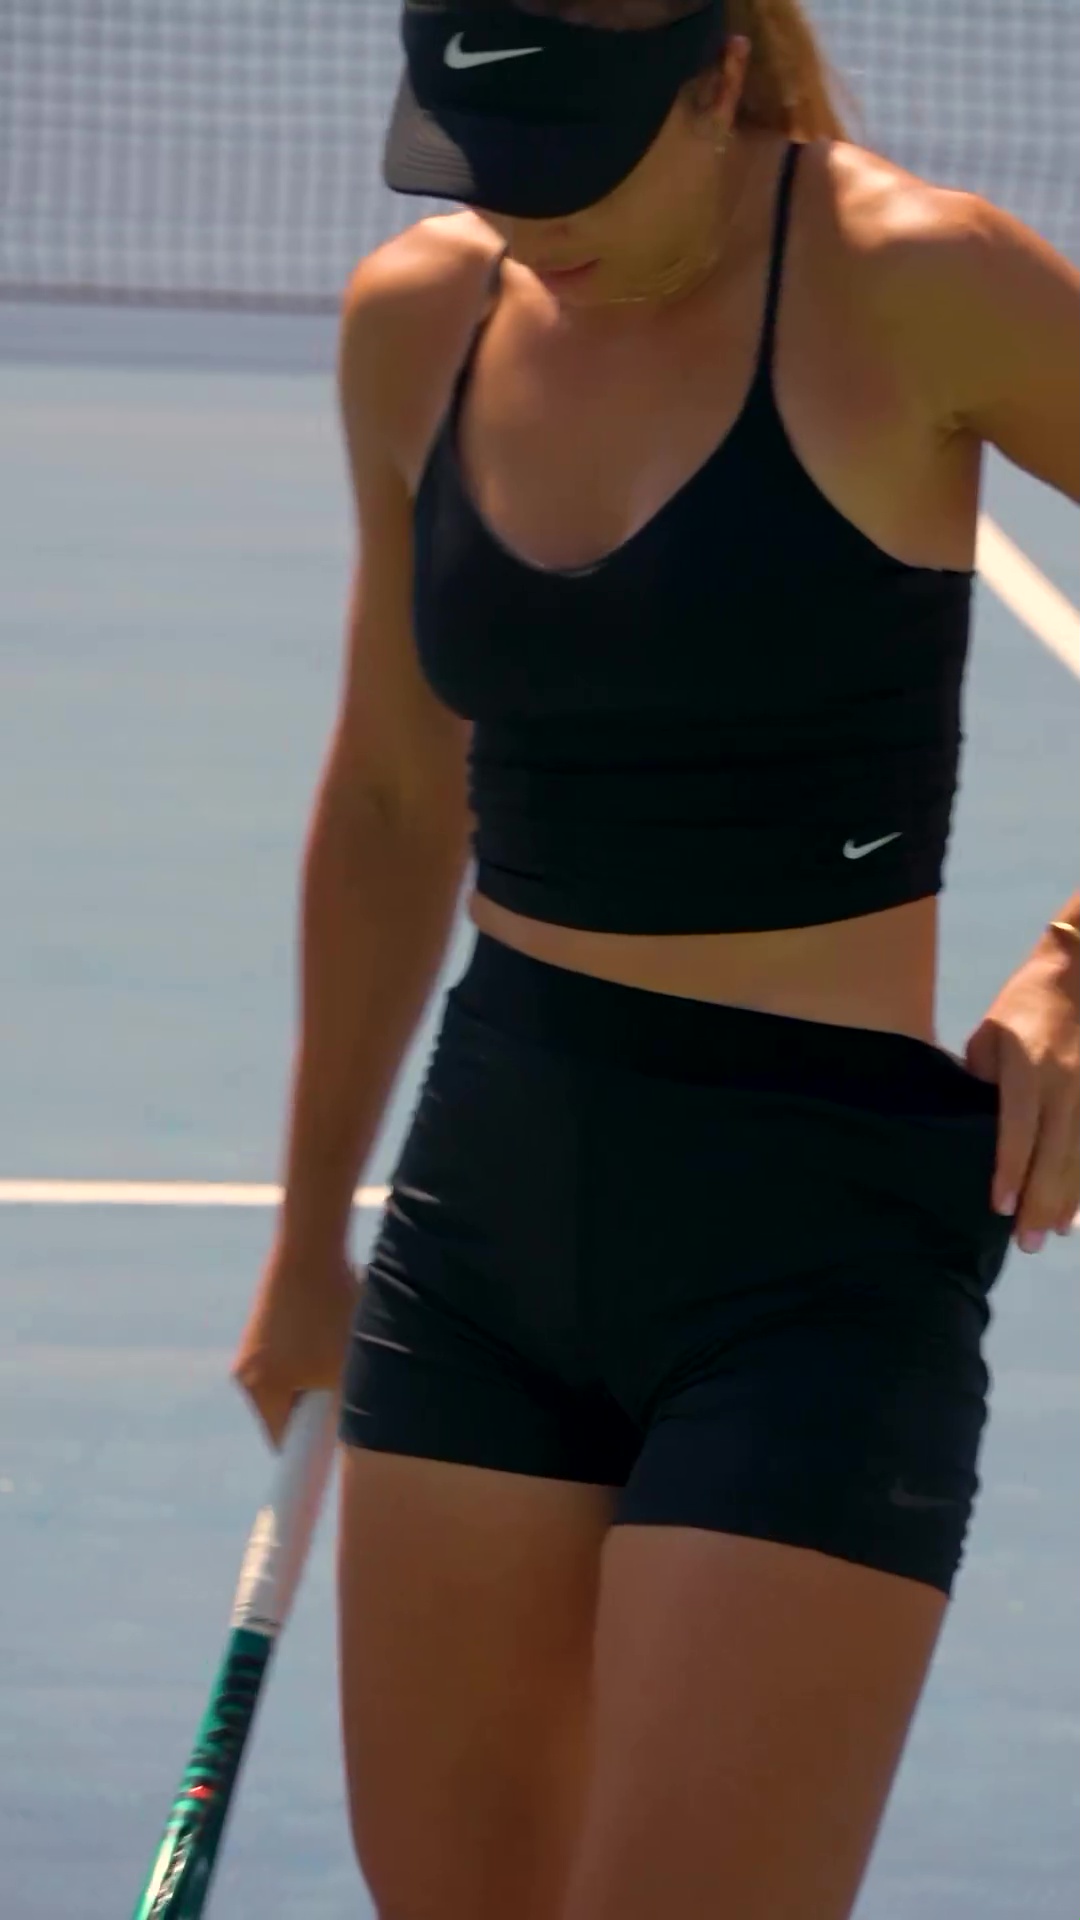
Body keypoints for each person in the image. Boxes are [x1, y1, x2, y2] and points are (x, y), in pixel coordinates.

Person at [233, 1, 1080, 1914]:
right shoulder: (416, 321)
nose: (526, 219)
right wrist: (305, 1244)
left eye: (572, 163)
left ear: (715, 81)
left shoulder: (920, 283)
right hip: (486, 1219)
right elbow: (392, 800)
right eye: (484, 165)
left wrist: (1078, 962)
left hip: (814, 1257)